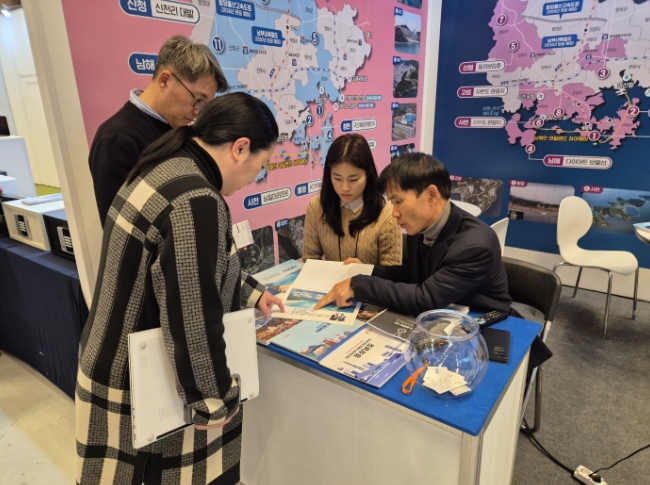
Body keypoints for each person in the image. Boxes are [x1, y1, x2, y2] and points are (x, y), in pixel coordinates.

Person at [76, 92, 284, 485]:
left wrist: (252, 292)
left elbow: (188, 269)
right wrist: (214, 402)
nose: (254, 179)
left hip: (110, 358)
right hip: (139, 385)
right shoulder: (195, 199)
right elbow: (193, 315)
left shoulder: (168, 165)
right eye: (261, 166)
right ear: (240, 148)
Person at [315, 152, 512, 316]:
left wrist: (361, 284)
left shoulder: (474, 246)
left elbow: (424, 299)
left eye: (398, 201)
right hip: (446, 313)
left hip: (485, 321)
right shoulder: (422, 225)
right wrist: (367, 270)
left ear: (431, 195)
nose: (394, 213)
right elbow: (414, 273)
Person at [89, 34, 228, 226]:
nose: (197, 112)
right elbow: (120, 229)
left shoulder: (179, 129)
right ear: (165, 80)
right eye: (198, 100)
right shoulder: (117, 139)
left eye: (205, 105)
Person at [302, 133, 402, 264]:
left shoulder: (387, 214)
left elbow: (392, 272)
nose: (344, 188)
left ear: (368, 175)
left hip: (369, 279)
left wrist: (365, 272)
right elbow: (310, 260)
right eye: (337, 178)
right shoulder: (317, 206)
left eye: (353, 179)